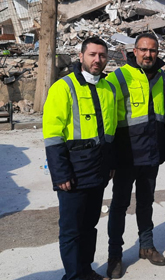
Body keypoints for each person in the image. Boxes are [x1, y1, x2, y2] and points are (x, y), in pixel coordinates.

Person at [43, 37, 117, 280]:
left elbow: (110, 132)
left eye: (102, 56)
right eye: (93, 54)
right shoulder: (63, 87)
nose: (98, 60)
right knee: (72, 231)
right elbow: (53, 135)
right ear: (81, 56)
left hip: (97, 172)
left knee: (89, 227)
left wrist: (110, 164)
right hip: (73, 173)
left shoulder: (107, 88)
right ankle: (74, 276)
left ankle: (86, 271)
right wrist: (60, 173)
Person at [105, 33, 165, 278]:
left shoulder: (163, 78)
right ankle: (115, 256)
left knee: (146, 203)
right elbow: (107, 118)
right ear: (134, 51)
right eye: (143, 49)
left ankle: (147, 246)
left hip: (151, 155)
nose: (148, 54)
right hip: (125, 157)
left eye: (152, 50)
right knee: (119, 206)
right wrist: (109, 157)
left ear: (157, 52)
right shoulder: (118, 77)